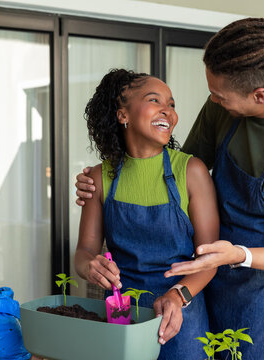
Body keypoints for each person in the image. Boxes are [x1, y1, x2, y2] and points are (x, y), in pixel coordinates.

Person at [76, 18, 264, 359]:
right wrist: (98, 179)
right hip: (203, 280)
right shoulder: (221, 111)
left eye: (220, 96)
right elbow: (176, 166)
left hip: (262, 292)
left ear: (259, 95)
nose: (213, 101)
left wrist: (238, 254)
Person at [74, 69, 219, 360]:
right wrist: (90, 266)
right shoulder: (101, 177)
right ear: (122, 114)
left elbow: (210, 260)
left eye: (172, 104)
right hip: (120, 315)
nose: (169, 111)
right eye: (155, 100)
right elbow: (83, 252)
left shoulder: (191, 171)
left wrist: (178, 295)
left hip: (182, 315)